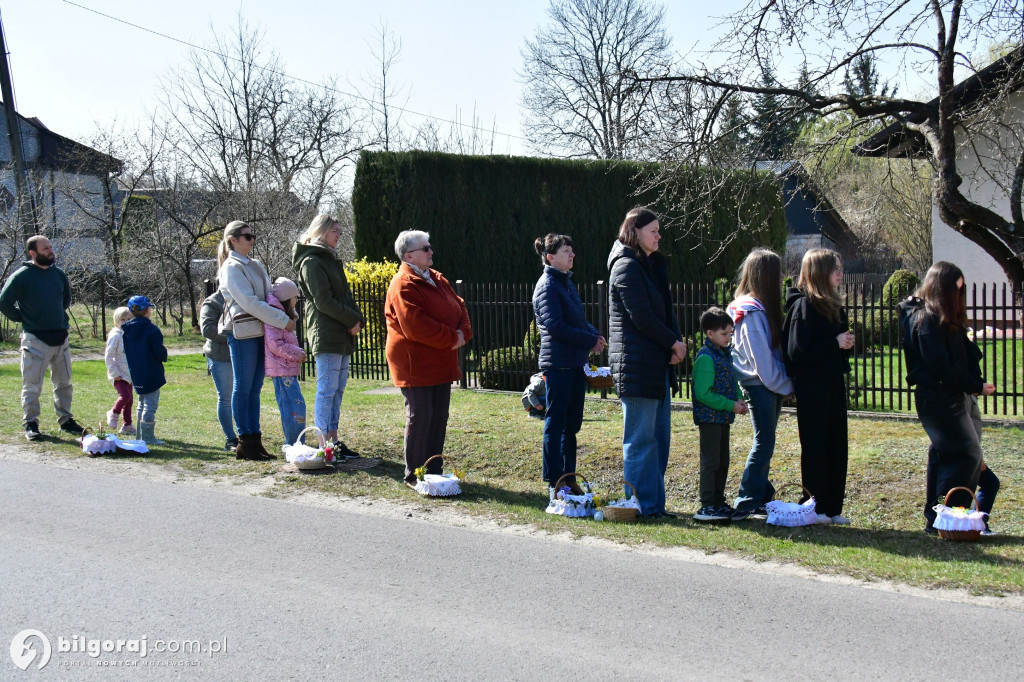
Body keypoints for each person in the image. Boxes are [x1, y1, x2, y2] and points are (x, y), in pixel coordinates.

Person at [899, 261, 995, 534]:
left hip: (948, 396)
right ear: (942, 289)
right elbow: (941, 366)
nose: (959, 297)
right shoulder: (926, 320)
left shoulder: (939, 318)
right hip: (938, 399)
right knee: (966, 453)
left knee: (945, 454)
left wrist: (973, 383)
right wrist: (973, 384)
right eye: (955, 290)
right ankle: (950, 515)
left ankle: (938, 516)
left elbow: (959, 357)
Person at [607, 207, 687, 518]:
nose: (658, 235)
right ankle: (640, 506)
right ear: (635, 232)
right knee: (640, 441)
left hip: (655, 365)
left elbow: (665, 312)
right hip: (637, 366)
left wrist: (676, 342)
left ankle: (654, 505)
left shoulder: (649, 266)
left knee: (659, 440)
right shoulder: (625, 266)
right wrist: (671, 342)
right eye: (652, 230)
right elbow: (641, 317)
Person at [385, 230, 472, 486]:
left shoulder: (437, 278)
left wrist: (463, 333)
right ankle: (414, 474)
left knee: (438, 416)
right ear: (409, 255)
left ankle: (433, 469)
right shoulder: (403, 284)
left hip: (440, 360)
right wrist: (451, 338)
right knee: (420, 416)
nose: (431, 251)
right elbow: (415, 325)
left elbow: (460, 307)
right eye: (426, 248)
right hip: (416, 363)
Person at [781, 248, 855, 526]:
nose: (840, 273)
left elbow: (833, 347)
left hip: (833, 383)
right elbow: (798, 351)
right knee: (816, 446)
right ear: (819, 272)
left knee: (837, 444)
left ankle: (833, 507)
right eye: (834, 268)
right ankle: (814, 506)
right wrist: (834, 344)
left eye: (840, 267)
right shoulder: (804, 306)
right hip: (813, 388)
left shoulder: (833, 304)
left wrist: (843, 345)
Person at [532, 233, 606, 498]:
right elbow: (555, 326)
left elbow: (577, 320)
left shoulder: (565, 283)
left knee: (571, 425)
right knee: (556, 422)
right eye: (566, 251)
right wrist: (588, 340)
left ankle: (569, 477)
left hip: (574, 363)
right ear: (551, 257)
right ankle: (555, 481)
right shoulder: (547, 285)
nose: (572, 255)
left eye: (572, 250)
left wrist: (594, 335)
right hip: (558, 364)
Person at [727, 248, 793, 521]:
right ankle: (746, 498)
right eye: (777, 272)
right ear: (764, 275)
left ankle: (762, 493)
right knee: (764, 441)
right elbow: (762, 363)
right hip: (760, 385)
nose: (782, 277)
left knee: (766, 441)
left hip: (769, 384)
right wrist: (787, 387)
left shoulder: (761, 308)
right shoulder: (751, 313)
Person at [218, 220, 293, 461]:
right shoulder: (231, 267)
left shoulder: (255, 264)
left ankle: (255, 440)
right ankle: (244, 441)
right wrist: (282, 320)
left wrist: (286, 312)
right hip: (241, 333)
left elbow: (267, 296)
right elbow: (249, 302)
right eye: (247, 236)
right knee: (243, 386)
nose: (252, 240)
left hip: (260, 330)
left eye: (253, 236)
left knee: (255, 387)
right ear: (233, 240)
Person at [293, 214, 365, 459]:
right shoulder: (311, 261)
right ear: (321, 231)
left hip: (341, 333)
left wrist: (358, 319)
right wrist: (350, 320)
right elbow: (323, 301)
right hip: (326, 333)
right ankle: (324, 443)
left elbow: (345, 296)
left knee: (338, 390)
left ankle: (334, 440)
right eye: (335, 230)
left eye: (339, 230)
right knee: (326, 390)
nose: (339, 234)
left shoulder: (330, 260)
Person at [0, 235, 84, 440]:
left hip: (61, 338)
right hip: (35, 340)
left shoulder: (59, 274)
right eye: (45, 248)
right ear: (33, 253)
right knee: (32, 385)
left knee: (64, 383)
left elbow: (66, 299)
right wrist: (25, 318)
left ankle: (66, 420)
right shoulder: (21, 276)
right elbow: (4, 302)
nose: (50, 251)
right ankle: (31, 423)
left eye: (50, 247)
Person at [692, 307, 747, 522]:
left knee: (723, 461)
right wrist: (729, 405)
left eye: (730, 334)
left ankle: (718, 501)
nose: (728, 338)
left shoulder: (724, 354)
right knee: (711, 462)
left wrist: (739, 398)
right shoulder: (706, 358)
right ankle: (707, 504)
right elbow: (703, 394)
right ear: (710, 334)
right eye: (724, 334)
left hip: (723, 417)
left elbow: (732, 381)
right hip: (709, 419)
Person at [265, 277, 308, 448]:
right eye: (294, 296)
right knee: (294, 409)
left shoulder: (283, 316)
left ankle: (296, 442)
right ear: (286, 298)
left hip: (287, 370)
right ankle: (293, 444)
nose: (297, 300)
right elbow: (275, 344)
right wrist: (297, 354)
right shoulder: (274, 317)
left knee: (297, 408)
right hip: (282, 371)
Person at [121, 296, 168, 445]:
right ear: (147, 310)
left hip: (136, 371)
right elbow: (159, 352)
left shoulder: (127, 330)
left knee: (141, 402)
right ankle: (147, 437)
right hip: (151, 371)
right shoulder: (152, 330)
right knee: (150, 404)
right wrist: (164, 353)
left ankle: (140, 435)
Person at [200, 290, 238, 451]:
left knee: (243, 396)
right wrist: (235, 335)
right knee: (225, 397)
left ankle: (247, 435)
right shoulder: (212, 302)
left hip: (241, 355)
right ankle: (231, 439)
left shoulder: (243, 296)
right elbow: (207, 329)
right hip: (220, 356)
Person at [104, 306, 136, 435]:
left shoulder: (129, 334)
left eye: (128, 319)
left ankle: (127, 425)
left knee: (130, 400)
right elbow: (109, 355)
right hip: (118, 374)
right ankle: (113, 412)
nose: (126, 322)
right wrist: (114, 372)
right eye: (122, 319)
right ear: (116, 320)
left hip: (128, 373)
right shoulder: (115, 335)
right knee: (125, 396)